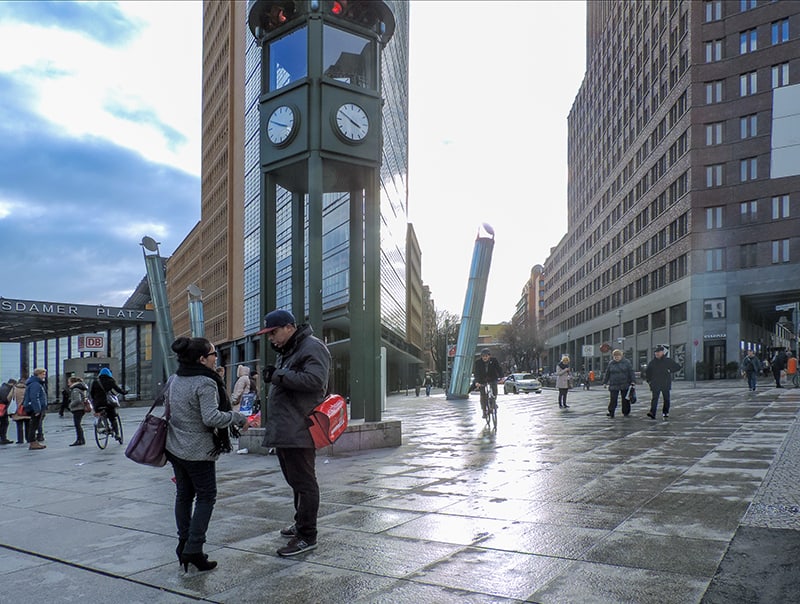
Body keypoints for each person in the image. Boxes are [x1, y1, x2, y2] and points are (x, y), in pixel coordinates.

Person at [166, 336, 249, 572]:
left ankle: (184, 544)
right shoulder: (205, 382)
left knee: (183, 495)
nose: (216, 358)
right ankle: (193, 549)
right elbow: (211, 418)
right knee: (205, 497)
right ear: (202, 359)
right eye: (213, 354)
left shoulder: (175, 378)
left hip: (175, 447)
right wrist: (237, 417)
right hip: (198, 451)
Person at [259, 309, 331, 557]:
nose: (271, 338)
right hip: (287, 428)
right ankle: (301, 522)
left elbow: (315, 380)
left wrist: (278, 375)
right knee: (295, 482)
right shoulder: (289, 350)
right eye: (268, 334)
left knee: (304, 483)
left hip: (300, 428)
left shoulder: (312, 347)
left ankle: (307, 536)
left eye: (274, 332)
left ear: (289, 327)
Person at [644, 345, 682, 419]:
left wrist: (670, 370)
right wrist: (649, 381)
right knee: (655, 398)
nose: (657, 354)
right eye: (656, 353)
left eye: (658, 352)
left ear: (662, 352)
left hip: (665, 382)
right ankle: (652, 412)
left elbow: (677, 367)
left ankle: (665, 412)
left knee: (666, 398)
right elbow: (648, 372)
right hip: (655, 383)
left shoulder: (667, 361)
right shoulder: (652, 362)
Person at [90, 368, 126, 442]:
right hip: (108, 403)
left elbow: (91, 393)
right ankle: (117, 434)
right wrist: (124, 392)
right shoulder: (110, 381)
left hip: (97, 404)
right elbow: (118, 389)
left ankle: (102, 427)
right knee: (113, 418)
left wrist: (95, 401)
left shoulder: (95, 382)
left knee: (99, 414)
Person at [602, 350, 635, 418]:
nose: (616, 358)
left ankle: (626, 412)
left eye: (618, 356)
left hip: (624, 383)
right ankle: (611, 412)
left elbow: (631, 372)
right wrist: (605, 382)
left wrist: (633, 381)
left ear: (621, 356)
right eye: (615, 356)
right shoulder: (611, 363)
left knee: (625, 399)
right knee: (613, 399)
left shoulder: (626, 362)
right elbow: (607, 373)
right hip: (614, 384)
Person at [473, 348, 503, 419]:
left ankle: (493, 403)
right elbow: (476, 373)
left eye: (486, 356)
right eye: (483, 356)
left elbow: (498, 369)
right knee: (483, 395)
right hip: (482, 380)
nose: (485, 358)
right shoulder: (478, 363)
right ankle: (484, 411)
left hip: (492, 378)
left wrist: (502, 377)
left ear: (489, 356)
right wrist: (477, 382)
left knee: (494, 391)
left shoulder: (494, 360)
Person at [22, 368, 48, 450]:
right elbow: (34, 397)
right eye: (43, 374)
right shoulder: (35, 384)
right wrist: (37, 409)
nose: (44, 376)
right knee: (34, 425)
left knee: (34, 425)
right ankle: (33, 442)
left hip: (34, 407)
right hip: (35, 408)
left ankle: (34, 442)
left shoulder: (34, 383)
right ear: (39, 374)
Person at [68, 376, 89, 446]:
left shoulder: (75, 389)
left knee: (77, 425)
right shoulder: (81, 388)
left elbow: (77, 400)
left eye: (69, 382)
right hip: (81, 408)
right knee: (78, 424)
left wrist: (70, 405)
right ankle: (81, 439)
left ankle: (79, 440)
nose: (68, 384)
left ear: (73, 382)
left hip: (78, 409)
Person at [11, 379, 30, 444]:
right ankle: (28, 438)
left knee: (19, 426)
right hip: (26, 409)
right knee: (27, 425)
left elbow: (9, 397)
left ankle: (20, 440)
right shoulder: (27, 389)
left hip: (17, 410)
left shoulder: (14, 389)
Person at [0, 378, 16, 444]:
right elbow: (5, 399)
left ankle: (3, 438)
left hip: (2, 408)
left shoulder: (2, 387)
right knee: (4, 423)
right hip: (2, 408)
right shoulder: (8, 389)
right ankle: (3, 438)